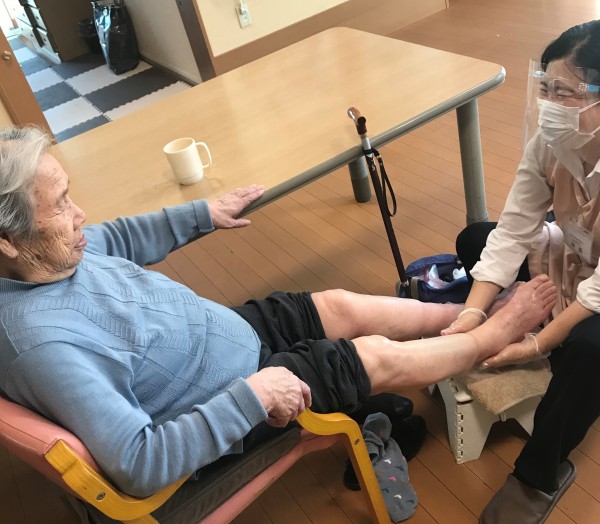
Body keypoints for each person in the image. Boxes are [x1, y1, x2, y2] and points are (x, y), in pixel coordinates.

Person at [0, 126, 556, 499]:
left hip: (223, 335)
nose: (81, 214)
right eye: (61, 205)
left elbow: (115, 236)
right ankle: (490, 337)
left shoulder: (47, 254)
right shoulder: (43, 346)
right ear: (8, 239)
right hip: (237, 396)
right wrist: (254, 395)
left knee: (339, 304)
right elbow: (140, 463)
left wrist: (202, 212)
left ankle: (465, 312)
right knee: (371, 355)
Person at [442, 20, 600, 524]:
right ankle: (552, 332)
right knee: (476, 238)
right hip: (579, 257)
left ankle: (538, 475)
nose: (550, 104)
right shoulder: (552, 143)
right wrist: (472, 315)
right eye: (545, 88)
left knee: (591, 345)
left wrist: (535, 344)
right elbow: (512, 231)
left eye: (565, 92)